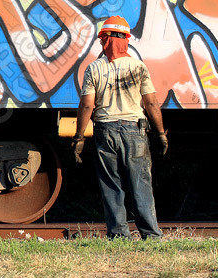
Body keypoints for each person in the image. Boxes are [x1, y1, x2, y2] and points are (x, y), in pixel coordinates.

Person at [72, 15, 168, 240]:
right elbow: (151, 102)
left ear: (104, 39)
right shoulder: (138, 67)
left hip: (105, 131)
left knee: (111, 185)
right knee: (140, 183)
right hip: (135, 132)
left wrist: (79, 138)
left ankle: (118, 235)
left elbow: (87, 105)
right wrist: (161, 133)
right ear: (126, 39)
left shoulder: (94, 69)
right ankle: (151, 234)